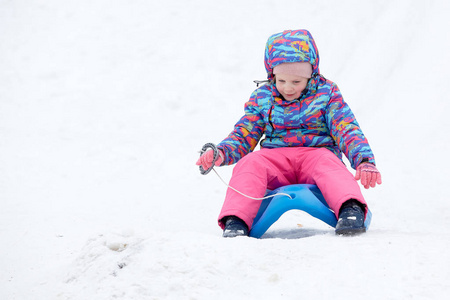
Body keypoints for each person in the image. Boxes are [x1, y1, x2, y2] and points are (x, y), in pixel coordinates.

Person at [196, 29, 382, 237]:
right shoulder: (263, 98)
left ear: (311, 75)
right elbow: (244, 133)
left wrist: (364, 160)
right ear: (272, 74)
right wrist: (221, 153)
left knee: (329, 163)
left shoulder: (326, 93)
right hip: (276, 160)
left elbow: (346, 128)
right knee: (250, 163)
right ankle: (237, 219)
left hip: (316, 154)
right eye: (281, 80)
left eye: (296, 82)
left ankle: (350, 207)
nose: (288, 88)